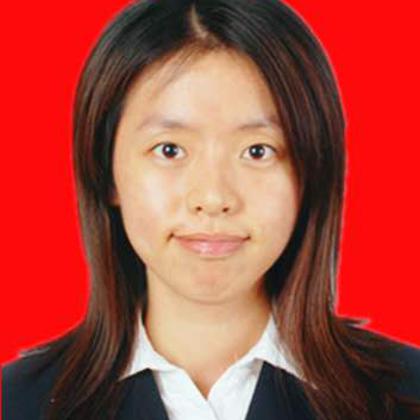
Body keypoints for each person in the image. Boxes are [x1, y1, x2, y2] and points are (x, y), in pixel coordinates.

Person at [2, 0, 420, 419]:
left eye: (257, 151)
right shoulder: (16, 403)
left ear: (311, 171)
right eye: (169, 150)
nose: (214, 197)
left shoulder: (406, 396)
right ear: (106, 170)